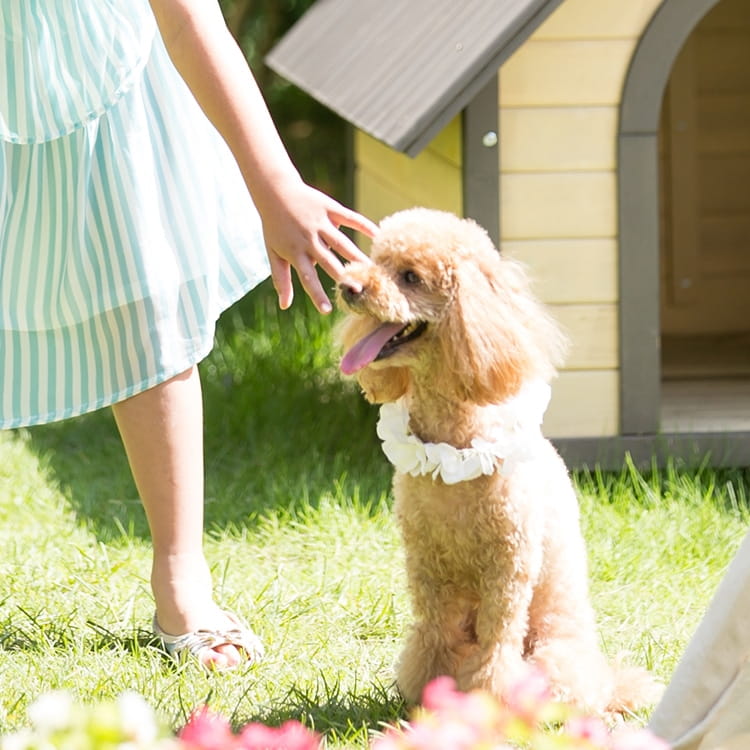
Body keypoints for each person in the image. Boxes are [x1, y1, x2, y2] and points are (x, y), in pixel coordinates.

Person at [0, 0, 377, 669]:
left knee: (146, 304)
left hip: (108, 87)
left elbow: (189, 18)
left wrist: (275, 185)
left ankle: (180, 579)